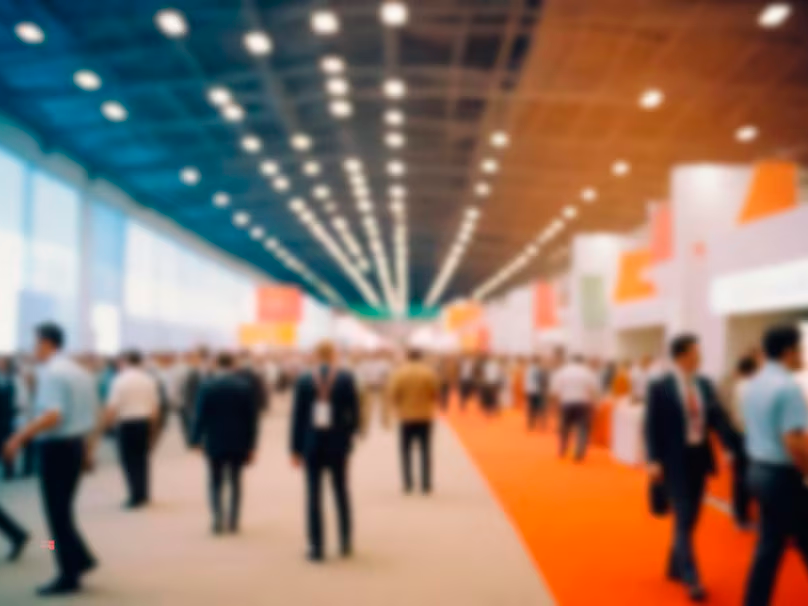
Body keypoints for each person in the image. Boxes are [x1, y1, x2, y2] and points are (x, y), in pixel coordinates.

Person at [2, 323, 98, 596]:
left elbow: (53, 415)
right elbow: (89, 412)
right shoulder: (79, 371)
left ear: (45, 343)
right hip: (74, 445)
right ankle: (80, 559)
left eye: (35, 344)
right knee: (62, 512)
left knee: (56, 516)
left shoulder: (53, 374)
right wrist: (88, 450)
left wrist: (18, 437)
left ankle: (67, 574)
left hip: (57, 450)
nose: (33, 350)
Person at [645, 334, 740, 603]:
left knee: (692, 517)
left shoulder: (705, 384)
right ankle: (692, 577)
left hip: (699, 458)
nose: (699, 357)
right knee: (685, 514)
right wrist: (653, 459)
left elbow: (717, 419)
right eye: (695, 353)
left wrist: (729, 447)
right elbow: (651, 425)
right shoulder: (660, 387)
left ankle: (674, 565)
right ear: (681, 356)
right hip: (673, 460)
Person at [741, 325, 808, 606]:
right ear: (788, 351)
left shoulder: (754, 383)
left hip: (757, 470)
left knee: (770, 544)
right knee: (783, 542)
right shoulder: (788, 387)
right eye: (800, 348)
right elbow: (794, 440)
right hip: (782, 476)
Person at [290, 341, 360, 562]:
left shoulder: (303, 379)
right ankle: (345, 541)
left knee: (313, 494)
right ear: (333, 355)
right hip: (338, 444)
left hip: (311, 444)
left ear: (315, 355)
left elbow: (297, 417)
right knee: (341, 491)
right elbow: (354, 414)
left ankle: (316, 547)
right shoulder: (345, 378)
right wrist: (348, 437)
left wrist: (295, 449)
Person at [192, 352, 260, 535]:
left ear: (217, 364)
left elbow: (200, 414)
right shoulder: (244, 386)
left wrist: (195, 439)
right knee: (236, 480)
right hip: (239, 441)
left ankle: (217, 519)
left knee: (215, 480)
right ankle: (233, 521)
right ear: (234, 364)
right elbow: (252, 419)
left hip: (214, 439)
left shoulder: (207, 386)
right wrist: (252, 445)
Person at [102, 350, 160, 509]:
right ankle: (144, 493)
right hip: (144, 422)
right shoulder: (149, 379)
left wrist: (107, 424)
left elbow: (112, 406)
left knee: (128, 461)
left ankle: (135, 496)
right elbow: (155, 407)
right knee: (142, 459)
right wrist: (153, 428)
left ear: (126, 361)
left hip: (125, 423)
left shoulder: (119, 380)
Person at [387, 350, 440, 494]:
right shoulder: (428, 373)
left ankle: (408, 482)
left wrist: (398, 406)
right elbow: (435, 392)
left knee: (405, 451)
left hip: (406, 416)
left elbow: (393, 393)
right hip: (424, 415)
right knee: (425, 450)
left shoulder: (400, 373)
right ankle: (425, 483)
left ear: (407, 357)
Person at [728, 354, 759, 529]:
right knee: (748, 477)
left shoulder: (738, 386)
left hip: (739, 435)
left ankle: (740, 514)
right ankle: (743, 515)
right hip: (751, 436)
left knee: (740, 477)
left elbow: (734, 414)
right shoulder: (753, 387)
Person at [550, 354, 600, 461]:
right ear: (582, 361)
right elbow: (594, 390)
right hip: (583, 403)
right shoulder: (588, 372)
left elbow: (555, 390)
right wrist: (595, 404)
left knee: (565, 427)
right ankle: (580, 452)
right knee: (583, 428)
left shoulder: (562, 372)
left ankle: (562, 448)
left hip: (566, 402)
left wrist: (554, 405)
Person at [525, 356, 548, 431]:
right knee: (541, 408)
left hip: (530, 390)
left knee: (531, 408)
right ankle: (542, 424)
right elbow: (541, 380)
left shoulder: (528, 369)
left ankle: (531, 423)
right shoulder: (538, 369)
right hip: (538, 391)